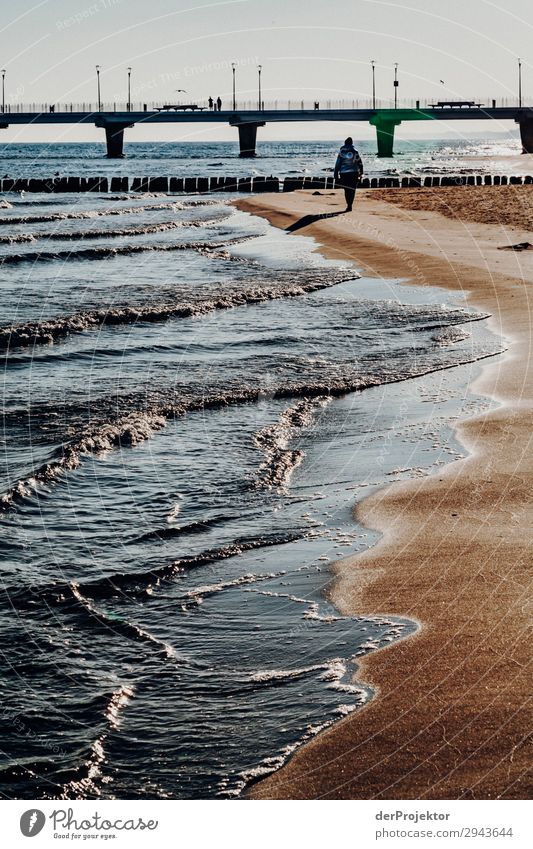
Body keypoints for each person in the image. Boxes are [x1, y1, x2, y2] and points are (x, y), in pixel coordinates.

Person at [333, 136, 363, 212]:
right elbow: (360, 163)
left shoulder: (342, 152)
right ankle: (350, 205)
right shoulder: (355, 151)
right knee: (352, 189)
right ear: (352, 143)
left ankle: (348, 204)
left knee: (346, 190)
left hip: (344, 173)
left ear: (345, 143)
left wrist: (335, 175)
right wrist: (361, 173)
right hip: (354, 173)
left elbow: (337, 164)